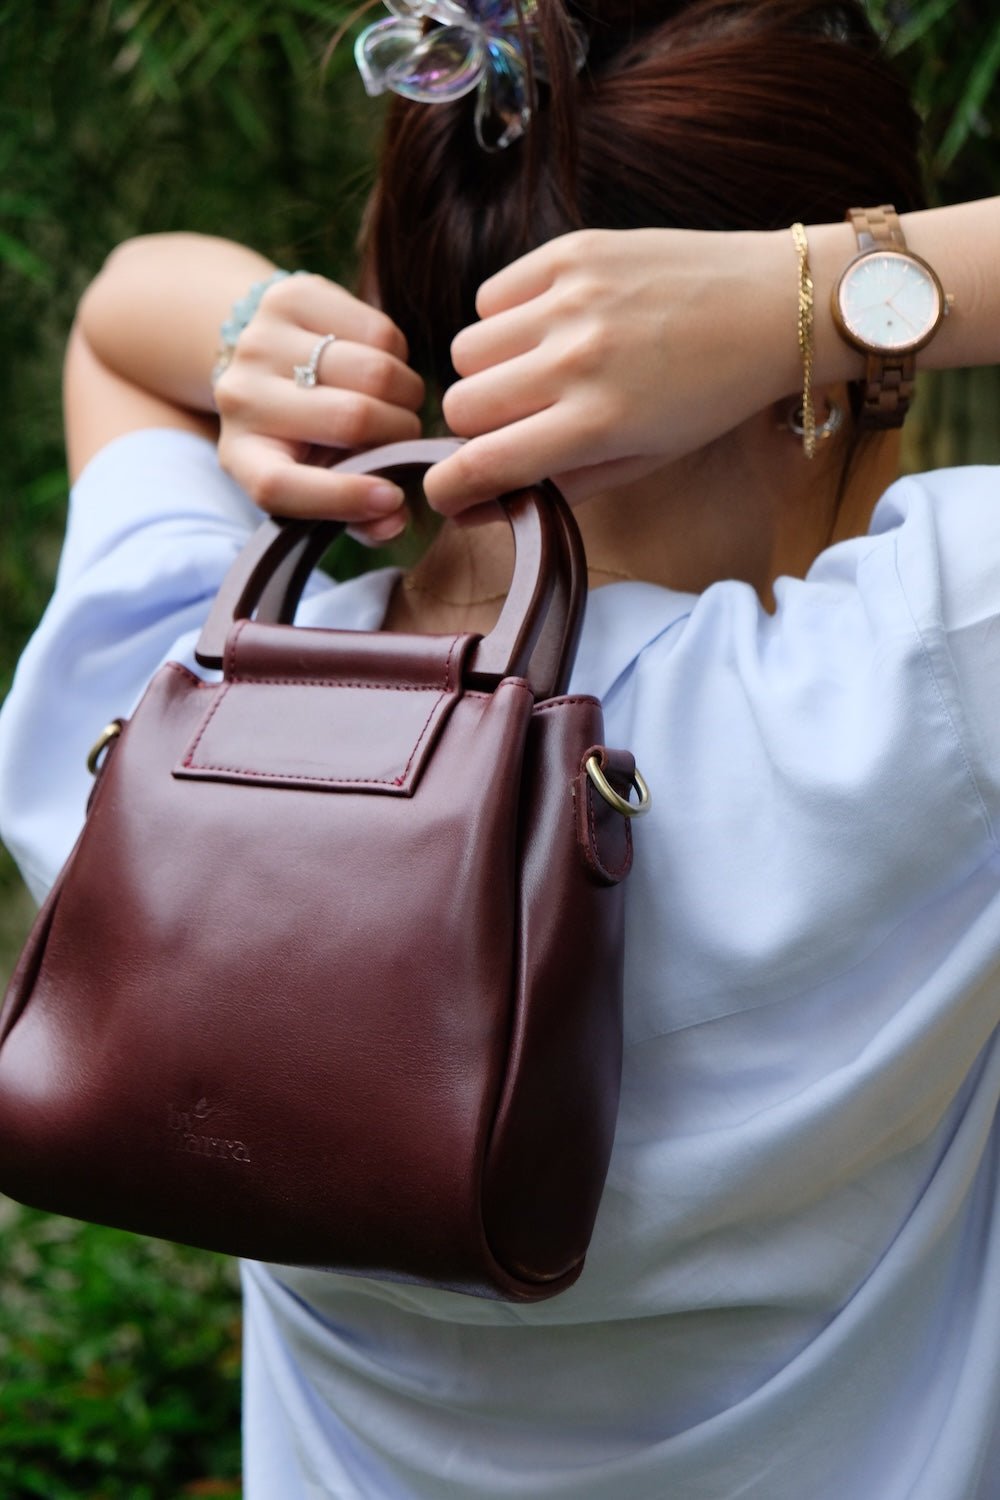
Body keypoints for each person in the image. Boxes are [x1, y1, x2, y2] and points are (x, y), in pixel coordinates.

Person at [1, 0, 999, 1493]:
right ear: (845, 384)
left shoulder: (178, 716)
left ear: (400, 301)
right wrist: (818, 291)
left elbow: (119, 325)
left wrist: (263, 341)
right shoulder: (923, 680)